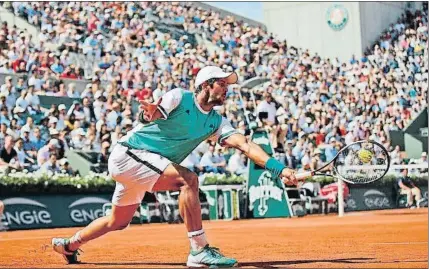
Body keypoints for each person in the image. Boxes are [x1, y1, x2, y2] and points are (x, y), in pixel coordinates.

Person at [52, 66, 298, 267]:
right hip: (129, 155)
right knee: (188, 179)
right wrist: (148, 114)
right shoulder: (180, 97)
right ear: (205, 85)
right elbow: (154, 112)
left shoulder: (216, 121)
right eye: (222, 84)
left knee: (117, 221)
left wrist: (280, 169)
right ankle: (199, 250)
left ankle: (68, 245)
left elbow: (245, 145)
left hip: (145, 165)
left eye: (227, 85)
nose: (226, 89)